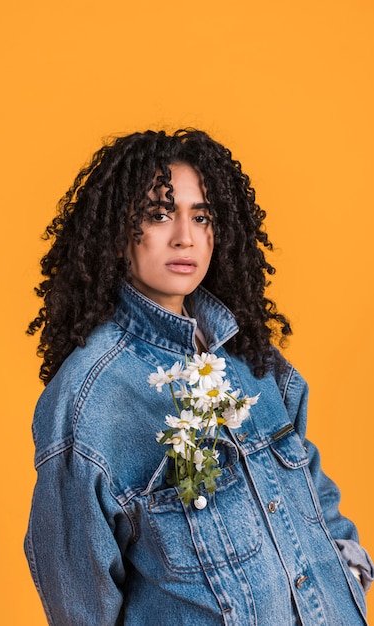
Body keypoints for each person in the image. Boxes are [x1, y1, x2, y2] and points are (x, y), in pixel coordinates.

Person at [25, 129, 373, 625]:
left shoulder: (252, 358)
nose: (184, 236)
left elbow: (313, 491)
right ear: (116, 232)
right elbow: (79, 600)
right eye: (159, 214)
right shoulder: (87, 400)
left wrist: (351, 580)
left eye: (201, 216)